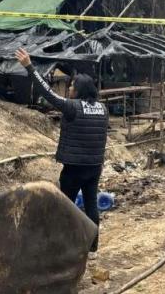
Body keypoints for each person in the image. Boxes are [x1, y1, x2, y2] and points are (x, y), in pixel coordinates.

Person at [15, 47, 108, 256]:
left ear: (80, 90)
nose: (70, 89)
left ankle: (60, 247)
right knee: (91, 204)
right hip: (94, 166)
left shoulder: (73, 107)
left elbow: (47, 93)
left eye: (73, 86)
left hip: (74, 167)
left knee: (65, 206)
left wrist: (29, 67)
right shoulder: (103, 109)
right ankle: (92, 247)